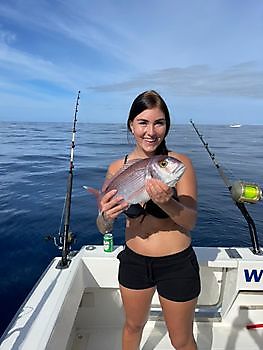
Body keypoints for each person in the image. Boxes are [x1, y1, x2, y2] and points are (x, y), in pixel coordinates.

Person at [96, 90, 200, 350]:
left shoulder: (178, 163)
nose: (150, 131)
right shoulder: (116, 168)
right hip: (134, 262)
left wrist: (166, 202)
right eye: (143, 122)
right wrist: (106, 218)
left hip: (177, 264)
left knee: (182, 340)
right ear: (131, 125)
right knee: (132, 327)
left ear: (167, 126)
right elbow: (102, 226)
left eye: (159, 123)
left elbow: (190, 221)